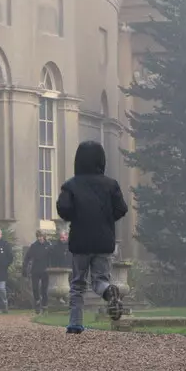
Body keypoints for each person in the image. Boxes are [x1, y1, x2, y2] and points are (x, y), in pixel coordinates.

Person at [56, 139, 129, 334]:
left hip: (80, 240)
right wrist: (106, 219)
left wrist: (77, 216)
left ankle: (75, 323)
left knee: (78, 284)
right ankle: (108, 291)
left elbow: (64, 210)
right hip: (104, 240)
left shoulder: (70, 185)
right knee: (99, 280)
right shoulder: (111, 185)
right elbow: (122, 208)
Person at [23, 231, 57, 314]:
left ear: (44, 237)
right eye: (38, 236)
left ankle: (45, 305)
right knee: (35, 288)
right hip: (35, 270)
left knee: (44, 289)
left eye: (41, 236)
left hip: (45, 270)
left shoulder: (48, 245)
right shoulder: (34, 246)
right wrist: (24, 268)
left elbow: (54, 256)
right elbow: (27, 257)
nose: (39, 238)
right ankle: (37, 302)